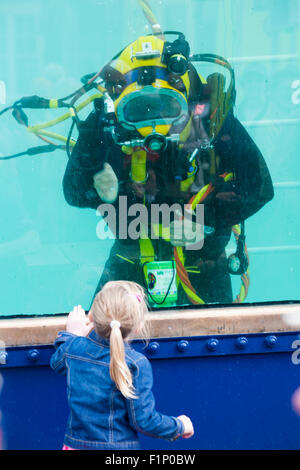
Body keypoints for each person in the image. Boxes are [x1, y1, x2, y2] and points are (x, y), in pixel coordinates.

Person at [62, 32, 274, 307]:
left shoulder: (210, 121)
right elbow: (74, 192)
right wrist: (101, 187)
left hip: (203, 263)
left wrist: (205, 219)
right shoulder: (108, 124)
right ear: (121, 100)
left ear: (184, 97)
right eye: (140, 108)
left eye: (165, 107)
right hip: (130, 261)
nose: (153, 128)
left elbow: (259, 186)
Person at [50, 280, 194, 450]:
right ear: (139, 326)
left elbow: (57, 362)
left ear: (93, 317)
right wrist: (179, 426)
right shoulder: (136, 364)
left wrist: (71, 335)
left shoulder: (75, 349)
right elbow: (143, 421)